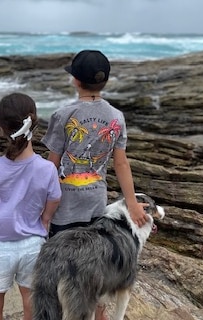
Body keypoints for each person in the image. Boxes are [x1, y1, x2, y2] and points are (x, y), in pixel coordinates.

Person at [40, 49, 149, 320]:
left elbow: (51, 165)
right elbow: (121, 164)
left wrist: (41, 206)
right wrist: (132, 204)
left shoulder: (63, 114)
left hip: (64, 208)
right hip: (96, 207)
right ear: (105, 81)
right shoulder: (116, 117)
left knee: (63, 267)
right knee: (94, 270)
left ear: (75, 80)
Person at [0, 92, 62, 320]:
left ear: (1, 128)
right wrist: (45, 219)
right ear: (34, 123)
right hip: (33, 243)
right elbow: (55, 198)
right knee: (30, 296)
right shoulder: (46, 168)